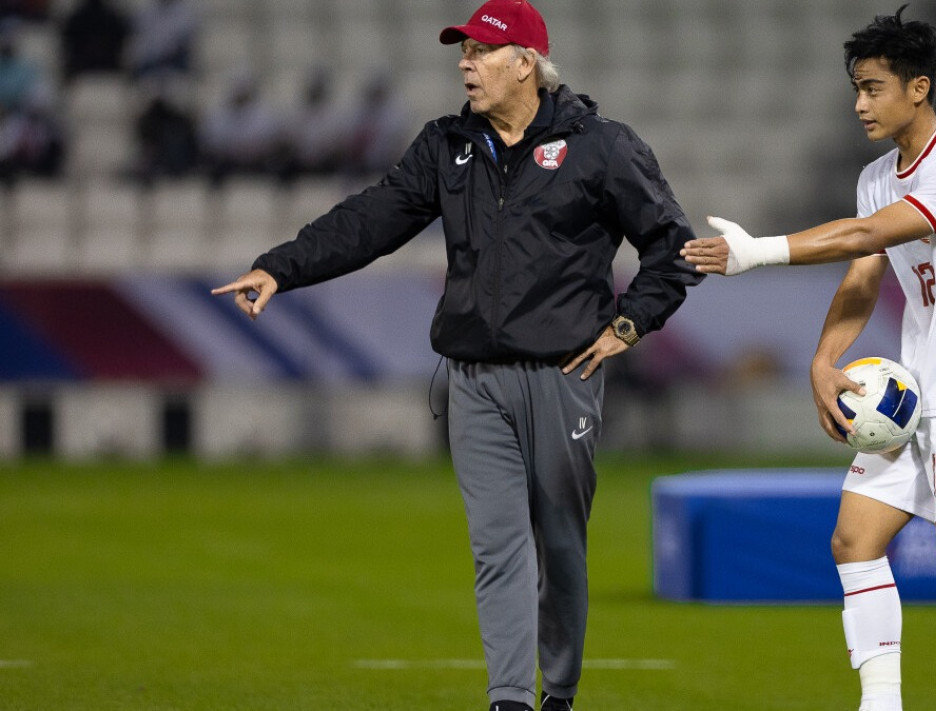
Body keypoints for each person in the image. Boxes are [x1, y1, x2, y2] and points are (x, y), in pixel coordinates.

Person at [210, 2, 703, 709]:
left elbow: (671, 246)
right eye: (462, 51)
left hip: (565, 377)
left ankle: (557, 692)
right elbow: (373, 218)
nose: (464, 64)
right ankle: (507, 698)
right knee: (497, 546)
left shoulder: (602, 146)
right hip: (472, 381)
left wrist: (629, 326)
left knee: (560, 548)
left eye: (480, 51)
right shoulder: (446, 145)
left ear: (524, 63)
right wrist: (280, 268)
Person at [682, 7, 936, 711]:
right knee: (852, 537)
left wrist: (760, 251)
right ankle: (880, 704)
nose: (859, 103)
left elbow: (867, 233)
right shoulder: (876, 174)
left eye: (872, 87)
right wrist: (822, 360)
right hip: (912, 388)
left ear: (918, 87)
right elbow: (865, 270)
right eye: (855, 89)